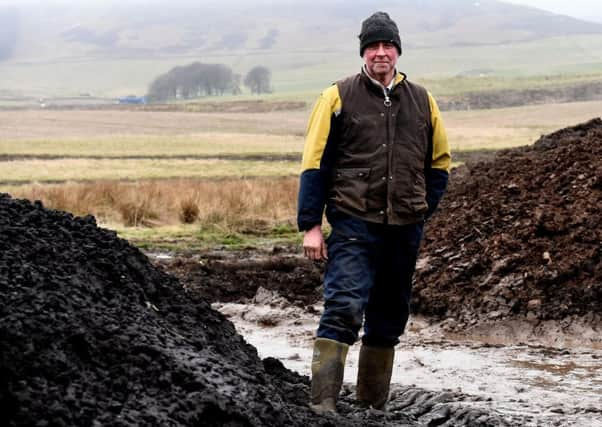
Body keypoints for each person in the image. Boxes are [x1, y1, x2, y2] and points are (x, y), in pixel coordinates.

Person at [297, 11, 451, 414]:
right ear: (363, 52)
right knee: (344, 305)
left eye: (387, 45)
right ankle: (323, 407)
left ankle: (372, 409)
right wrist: (311, 225)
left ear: (398, 50)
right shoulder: (337, 96)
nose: (380, 53)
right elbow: (314, 164)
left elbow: (440, 165)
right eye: (372, 46)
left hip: (404, 227)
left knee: (388, 318)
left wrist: (420, 210)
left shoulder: (423, 100)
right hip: (353, 221)